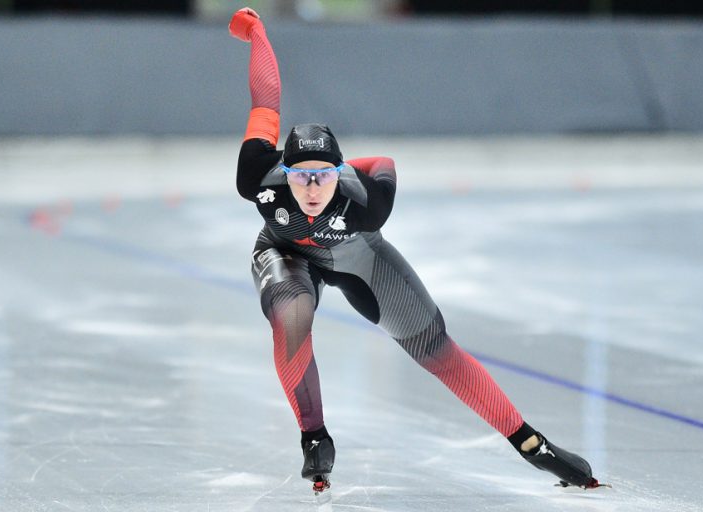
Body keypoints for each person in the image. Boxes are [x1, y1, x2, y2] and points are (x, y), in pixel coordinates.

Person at [229, 7, 603, 493]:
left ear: (340, 172)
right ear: (285, 173)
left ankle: (532, 443)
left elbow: (381, 164)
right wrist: (257, 30)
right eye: (301, 177)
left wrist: (352, 172)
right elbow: (266, 99)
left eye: (324, 174)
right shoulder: (257, 176)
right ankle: (315, 437)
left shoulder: (365, 201)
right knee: (291, 312)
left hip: (354, 255)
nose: (313, 188)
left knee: (434, 346)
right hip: (285, 252)